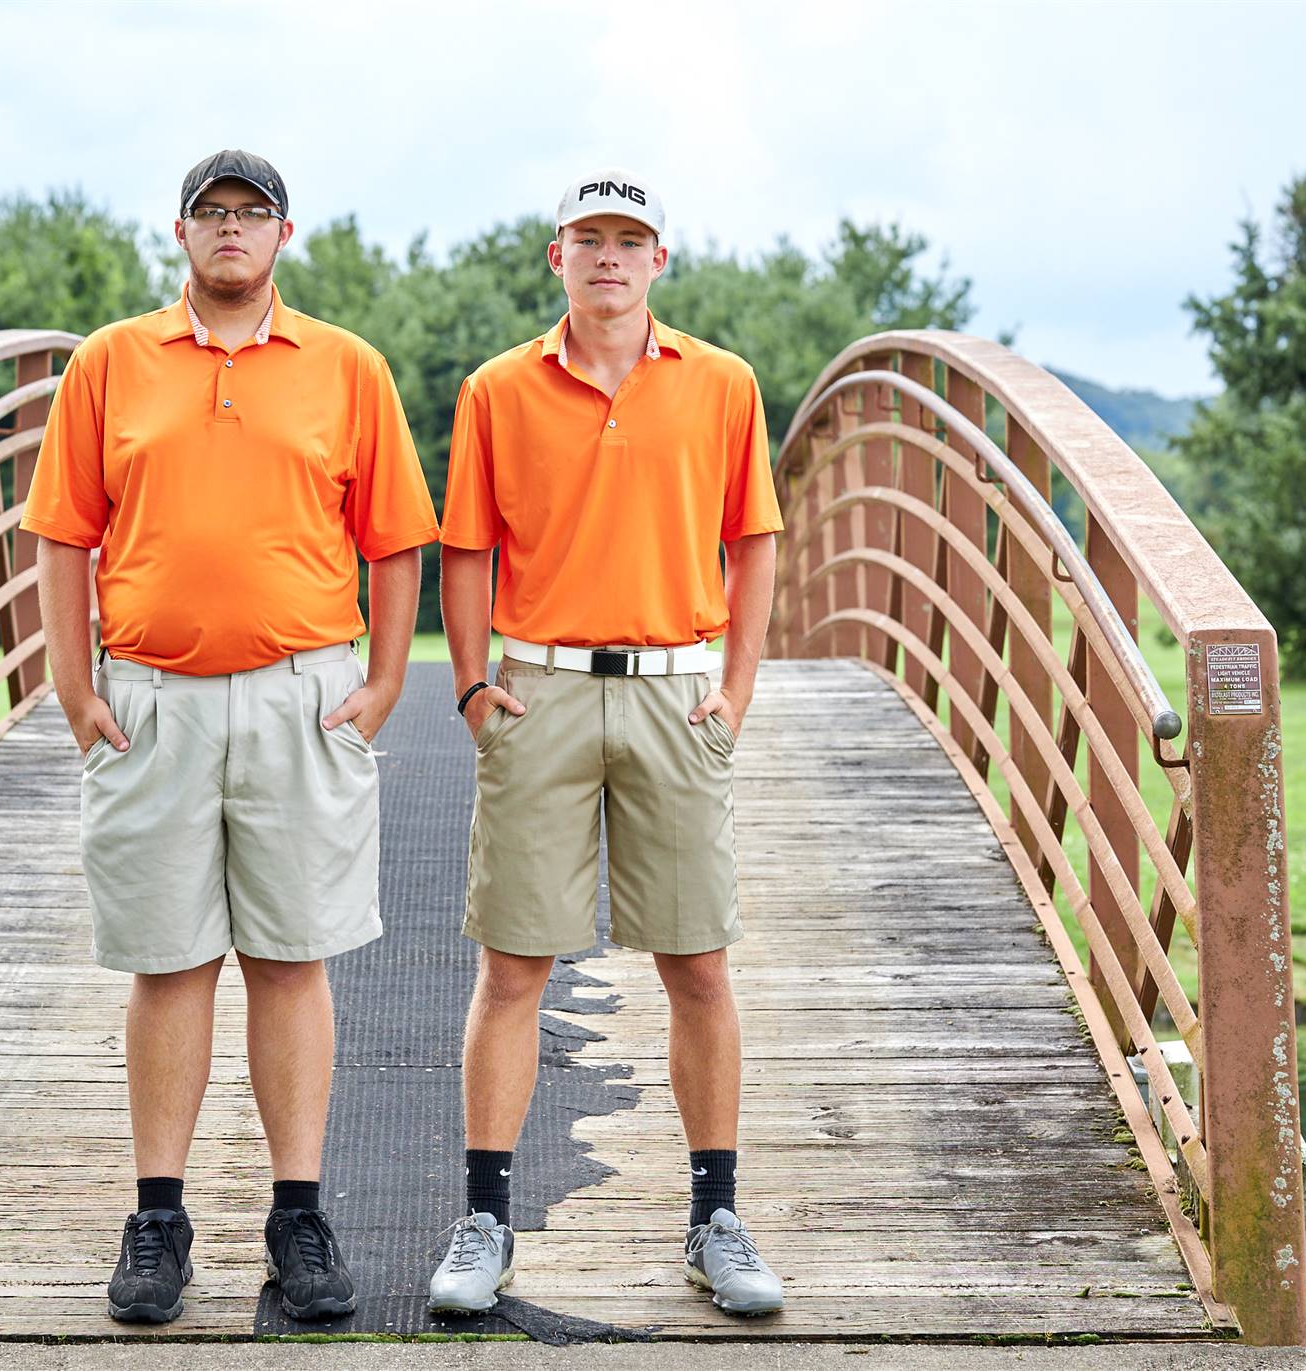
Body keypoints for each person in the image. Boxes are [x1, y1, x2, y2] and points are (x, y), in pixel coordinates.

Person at [22, 149, 440, 1325]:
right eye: (212, 214)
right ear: (181, 233)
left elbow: (395, 538)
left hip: (300, 694)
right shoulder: (111, 362)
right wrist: (72, 682)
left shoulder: (347, 367)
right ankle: (158, 1221)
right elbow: (63, 533)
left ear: (283, 238)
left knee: (291, 955)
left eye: (252, 216)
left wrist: (388, 679)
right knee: (168, 960)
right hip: (150, 695)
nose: (231, 233)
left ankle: (298, 1218)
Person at [429, 168, 785, 1317]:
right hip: (541, 688)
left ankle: (715, 1219)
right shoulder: (497, 389)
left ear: (660, 261)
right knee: (514, 966)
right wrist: (476, 687)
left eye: (631, 241)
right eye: (590, 240)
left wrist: (737, 689)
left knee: (698, 964)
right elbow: (467, 550)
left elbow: (755, 540)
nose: (610, 260)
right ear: (557, 257)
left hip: (677, 694)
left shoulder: (723, 385)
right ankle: (484, 1221)